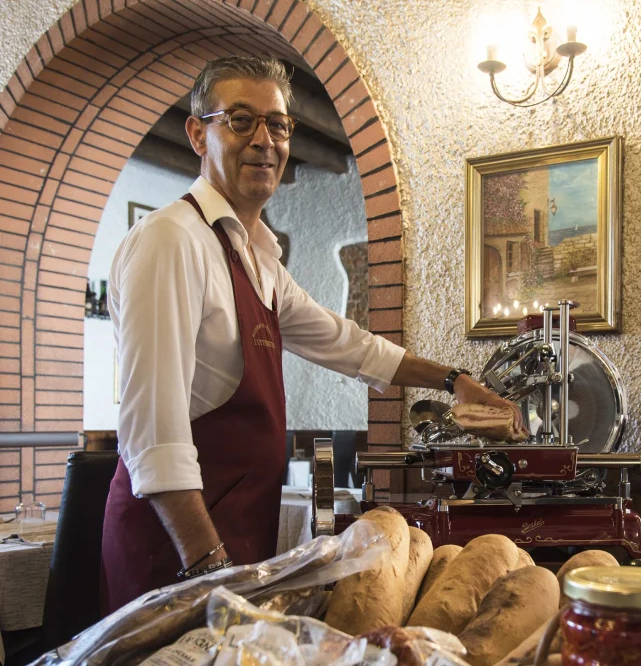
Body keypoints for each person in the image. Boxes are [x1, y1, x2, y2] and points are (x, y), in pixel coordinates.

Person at [100, 55, 522, 613]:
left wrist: (454, 379)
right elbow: (153, 434)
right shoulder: (170, 242)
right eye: (240, 120)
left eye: (277, 124)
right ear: (198, 134)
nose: (264, 140)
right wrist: (209, 569)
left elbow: (351, 345)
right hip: (175, 552)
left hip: (233, 543)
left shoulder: (261, 262)